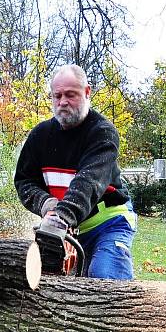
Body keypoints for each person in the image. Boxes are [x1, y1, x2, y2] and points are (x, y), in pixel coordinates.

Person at [14, 64, 137, 280]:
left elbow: (87, 183)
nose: (63, 102)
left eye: (71, 95)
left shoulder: (102, 133)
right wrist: (46, 204)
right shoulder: (40, 136)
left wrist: (61, 217)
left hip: (107, 222)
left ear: (87, 92)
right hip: (71, 225)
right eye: (57, 95)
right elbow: (25, 180)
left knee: (104, 278)